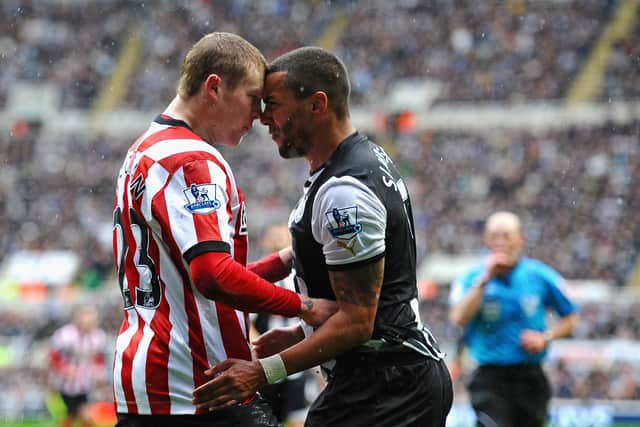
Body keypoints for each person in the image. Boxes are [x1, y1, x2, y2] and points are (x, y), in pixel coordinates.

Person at [192, 46, 453, 427]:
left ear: (317, 104)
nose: (263, 117)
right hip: (387, 378)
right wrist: (298, 329)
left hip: (388, 385)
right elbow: (325, 261)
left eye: (274, 104)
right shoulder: (352, 164)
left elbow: (357, 320)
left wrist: (264, 371)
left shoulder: (345, 190)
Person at [111, 32, 335, 427]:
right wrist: (304, 307)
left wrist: (282, 262)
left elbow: (199, 283)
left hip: (151, 380)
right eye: (252, 98)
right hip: (198, 385)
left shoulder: (145, 150)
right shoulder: (191, 159)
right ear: (214, 86)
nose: (260, 115)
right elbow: (213, 275)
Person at [448, 211, 580, 427]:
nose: (500, 242)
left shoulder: (540, 276)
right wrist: (485, 280)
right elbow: (458, 318)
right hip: (489, 378)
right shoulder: (472, 278)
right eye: (494, 236)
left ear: (520, 239)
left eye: (506, 235)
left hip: (530, 378)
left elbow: (572, 317)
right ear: (486, 240)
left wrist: (545, 337)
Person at [250, 223, 311, 427]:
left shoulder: (299, 279)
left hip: (292, 363)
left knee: (293, 417)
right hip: (275, 364)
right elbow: (247, 322)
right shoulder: (257, 280)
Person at [48, 306, 107, 427]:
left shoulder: (98, 336)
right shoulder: (65, 335)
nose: (90, 324)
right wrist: (63, 369)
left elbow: (99, 356)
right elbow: (53, 355)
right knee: (71, 416)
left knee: (85, 415)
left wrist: (100, 372)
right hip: (63, 384)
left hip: (84, 383)